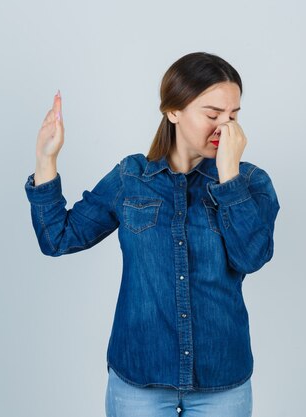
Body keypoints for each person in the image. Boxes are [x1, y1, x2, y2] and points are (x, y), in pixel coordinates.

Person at [24, 52, 280, 417]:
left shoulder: (251, 183)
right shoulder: (131, 178)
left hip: (221, 382)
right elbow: (58, 238)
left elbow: (251, 257)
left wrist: (229, 179)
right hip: (138, 380)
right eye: (212, 115)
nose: (226, 127)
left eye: (233, 115)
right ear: (173, 111)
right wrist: (45, 160)